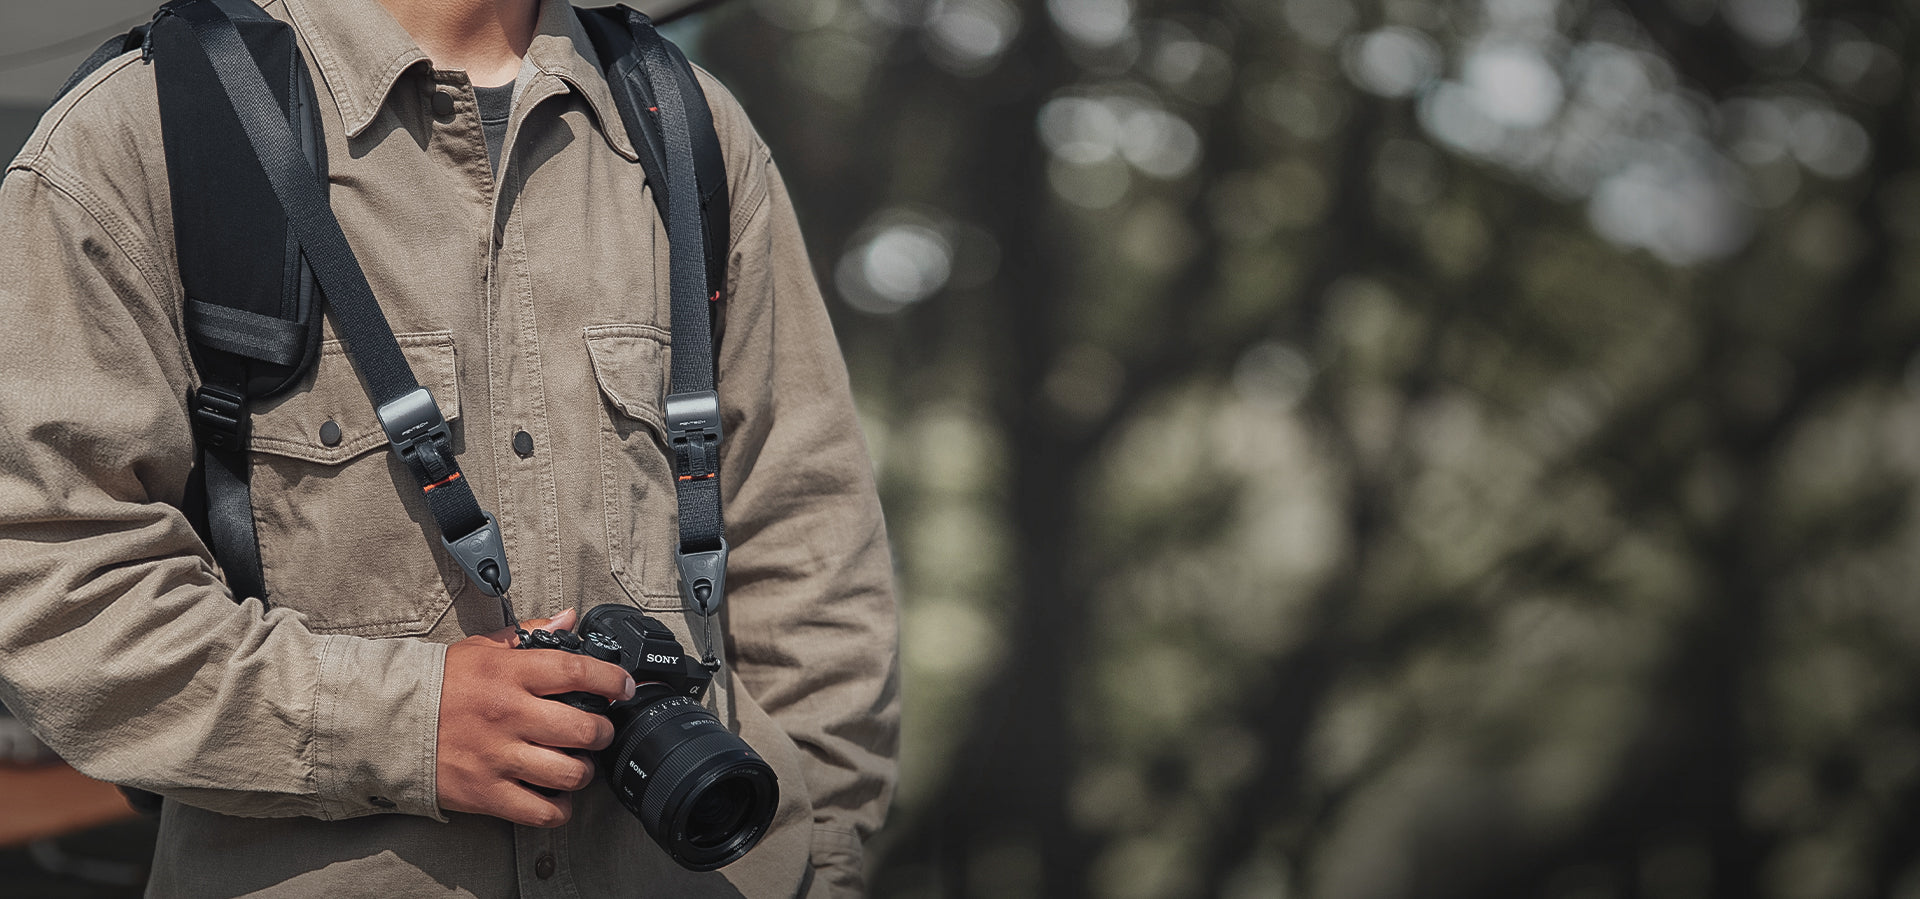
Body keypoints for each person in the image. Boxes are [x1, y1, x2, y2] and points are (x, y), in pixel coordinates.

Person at [0, 0, 899, 895]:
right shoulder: (139, 130)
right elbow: (52, 582)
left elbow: (811, 560)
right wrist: (403, 726)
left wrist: (820, 869)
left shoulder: (690, 127)